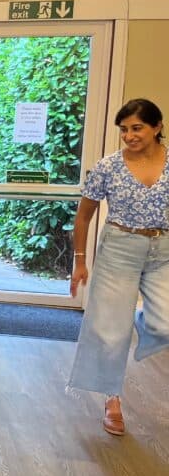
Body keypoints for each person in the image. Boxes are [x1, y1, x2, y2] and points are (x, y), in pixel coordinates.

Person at [68, 98, 169, 436]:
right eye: (124, 129)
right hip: (120, 248)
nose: (129, 135)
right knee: (111, 333)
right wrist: (80, 262)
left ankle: (141, 318)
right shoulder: (108, 166)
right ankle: (112, 399)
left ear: (157, 127)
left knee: (165, 322)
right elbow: (83, 217)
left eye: (137, 127)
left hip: (163, 249)